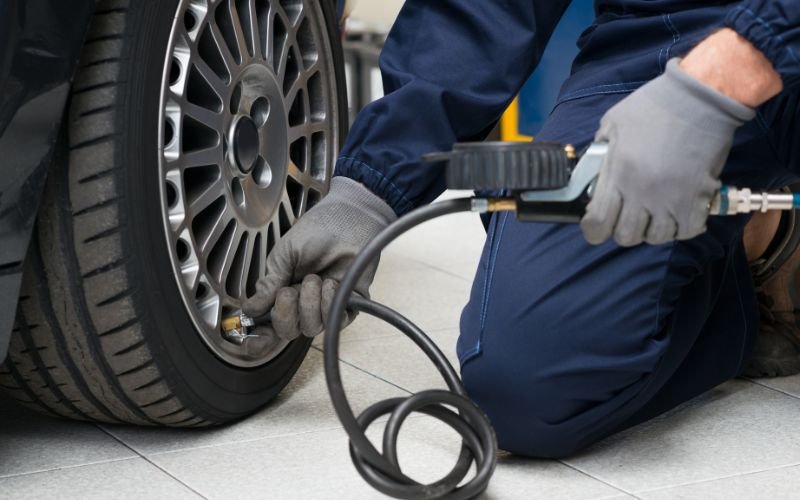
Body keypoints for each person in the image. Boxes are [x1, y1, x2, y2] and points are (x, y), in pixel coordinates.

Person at [244, 1, 800, 457]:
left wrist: (743, 62)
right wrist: (368, 192)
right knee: (526, 385)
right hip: (667, 41)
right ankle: (758, 238)